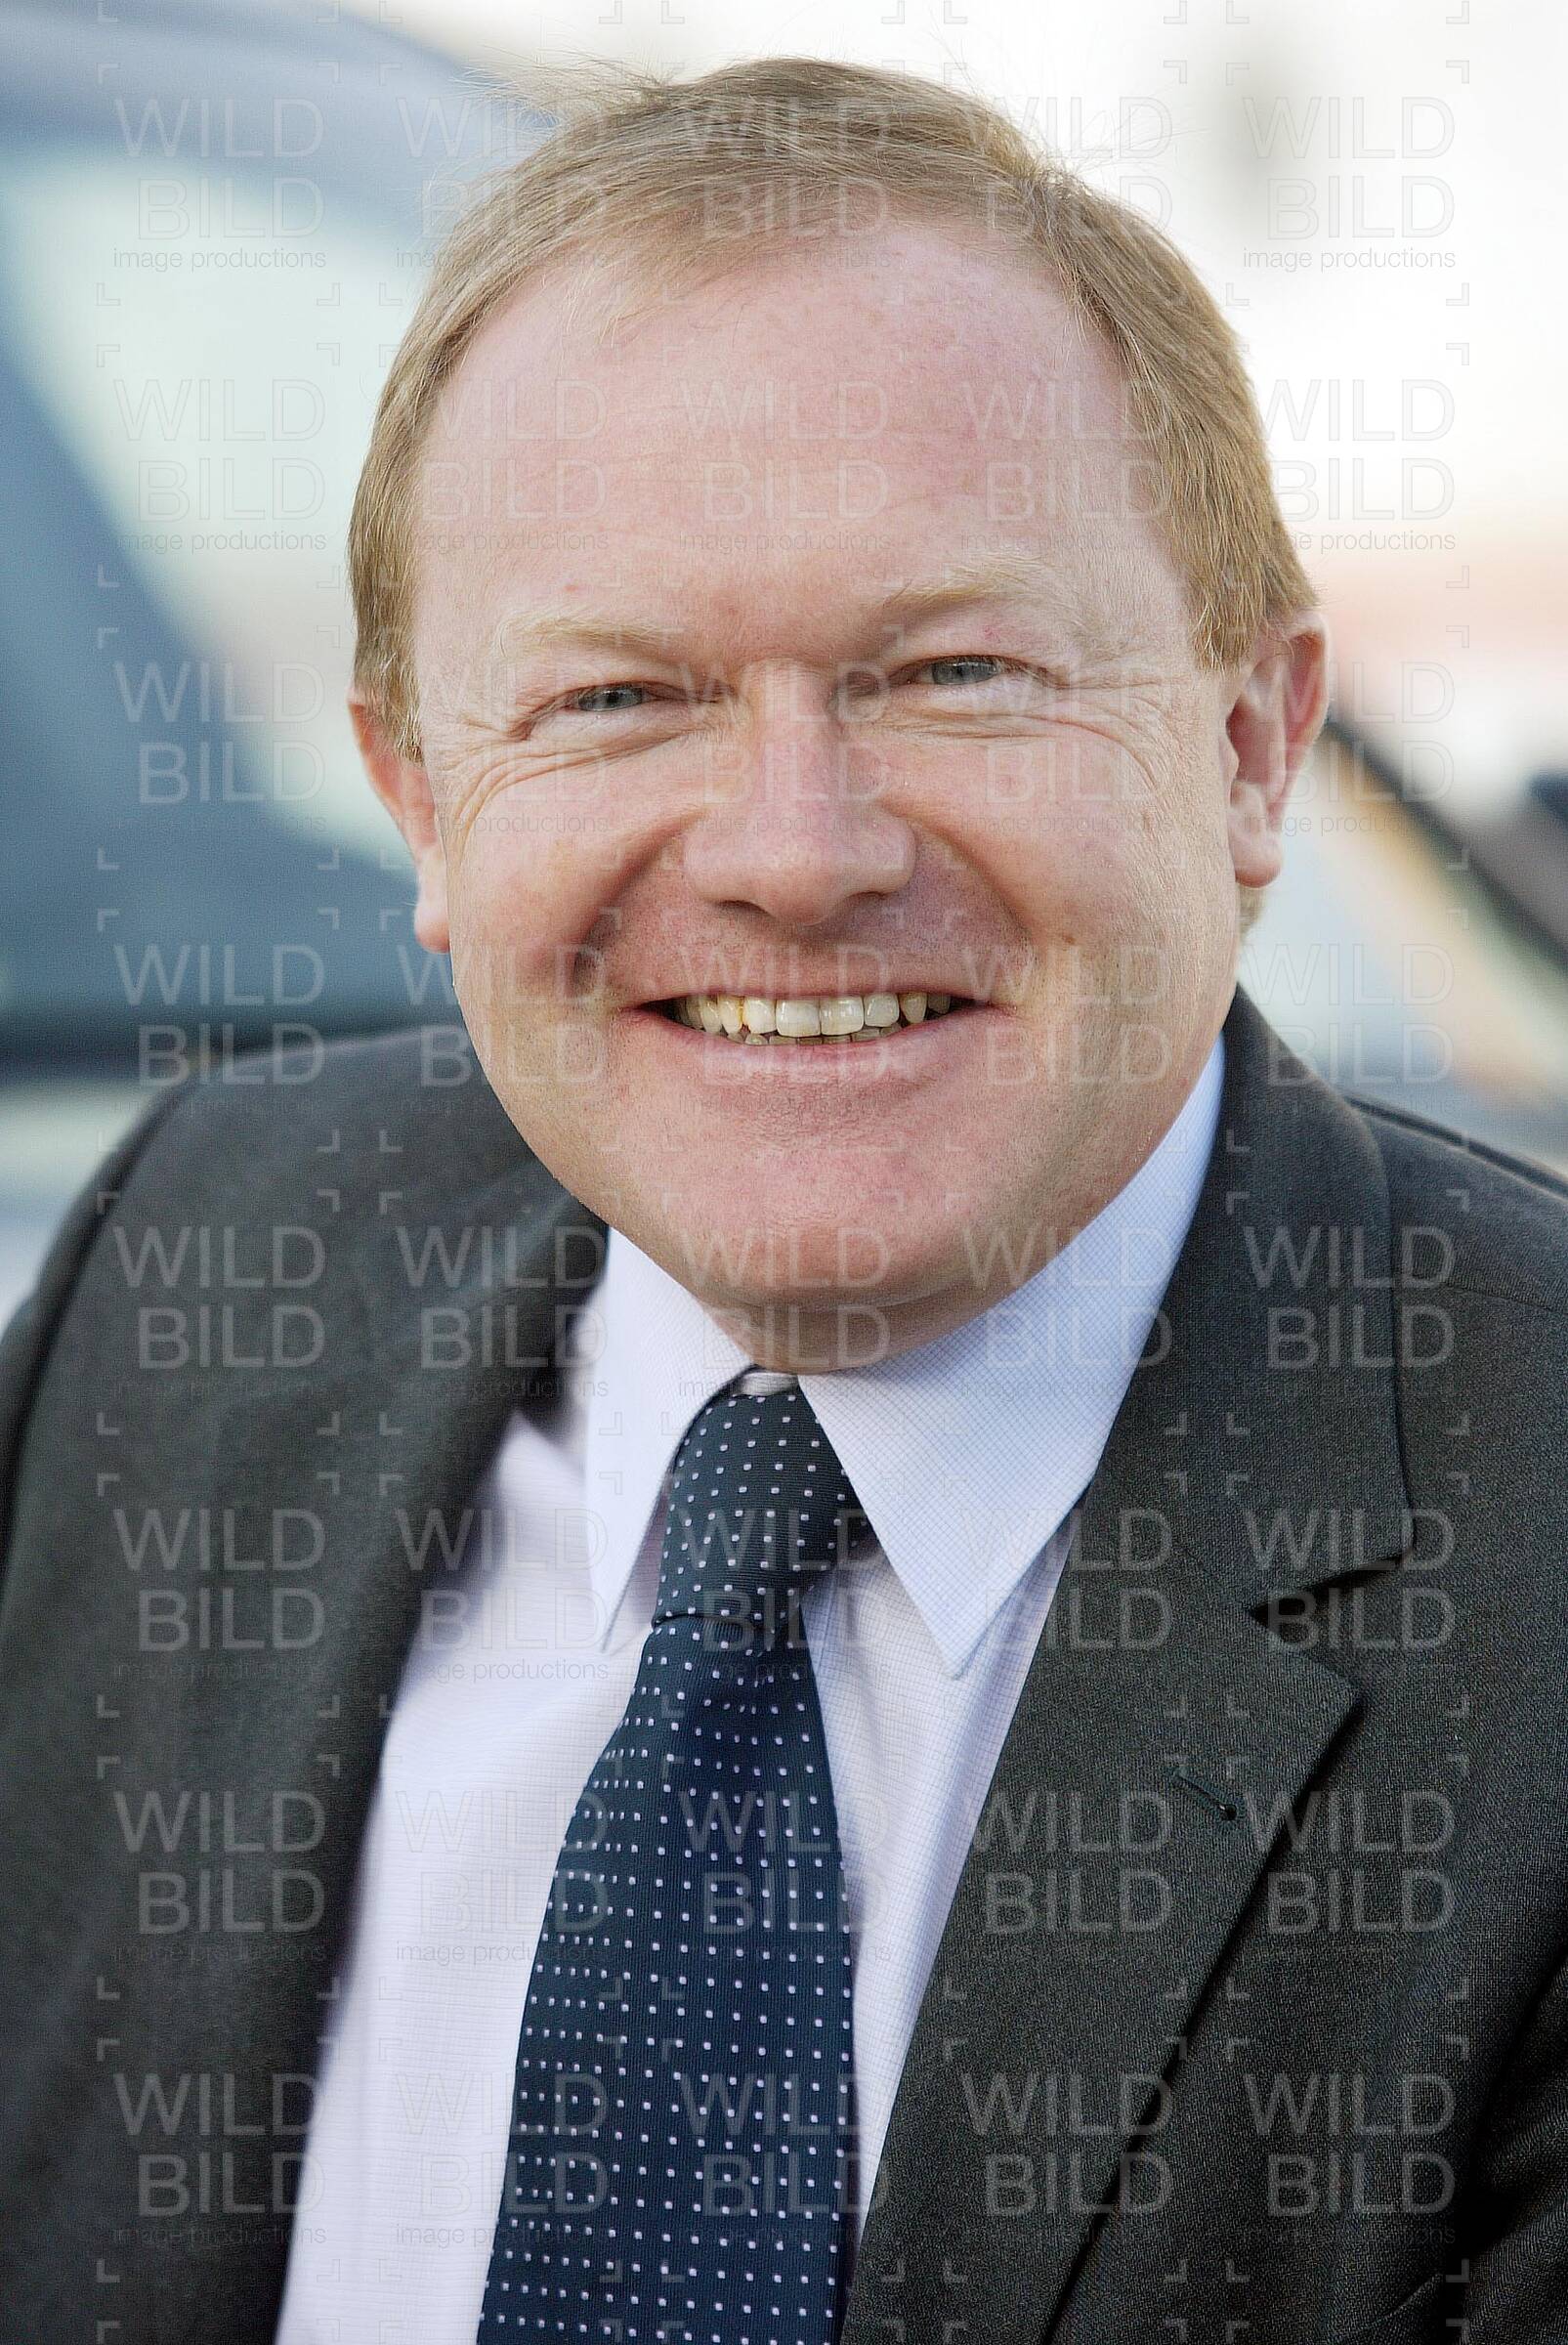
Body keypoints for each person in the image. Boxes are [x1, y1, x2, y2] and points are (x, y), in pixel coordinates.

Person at [2, 52, 1565, 2345]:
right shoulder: (184, 1279)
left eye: (951, 672)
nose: (792, 853)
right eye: (617, 698)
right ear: (419, 799)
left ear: (1248, 744)